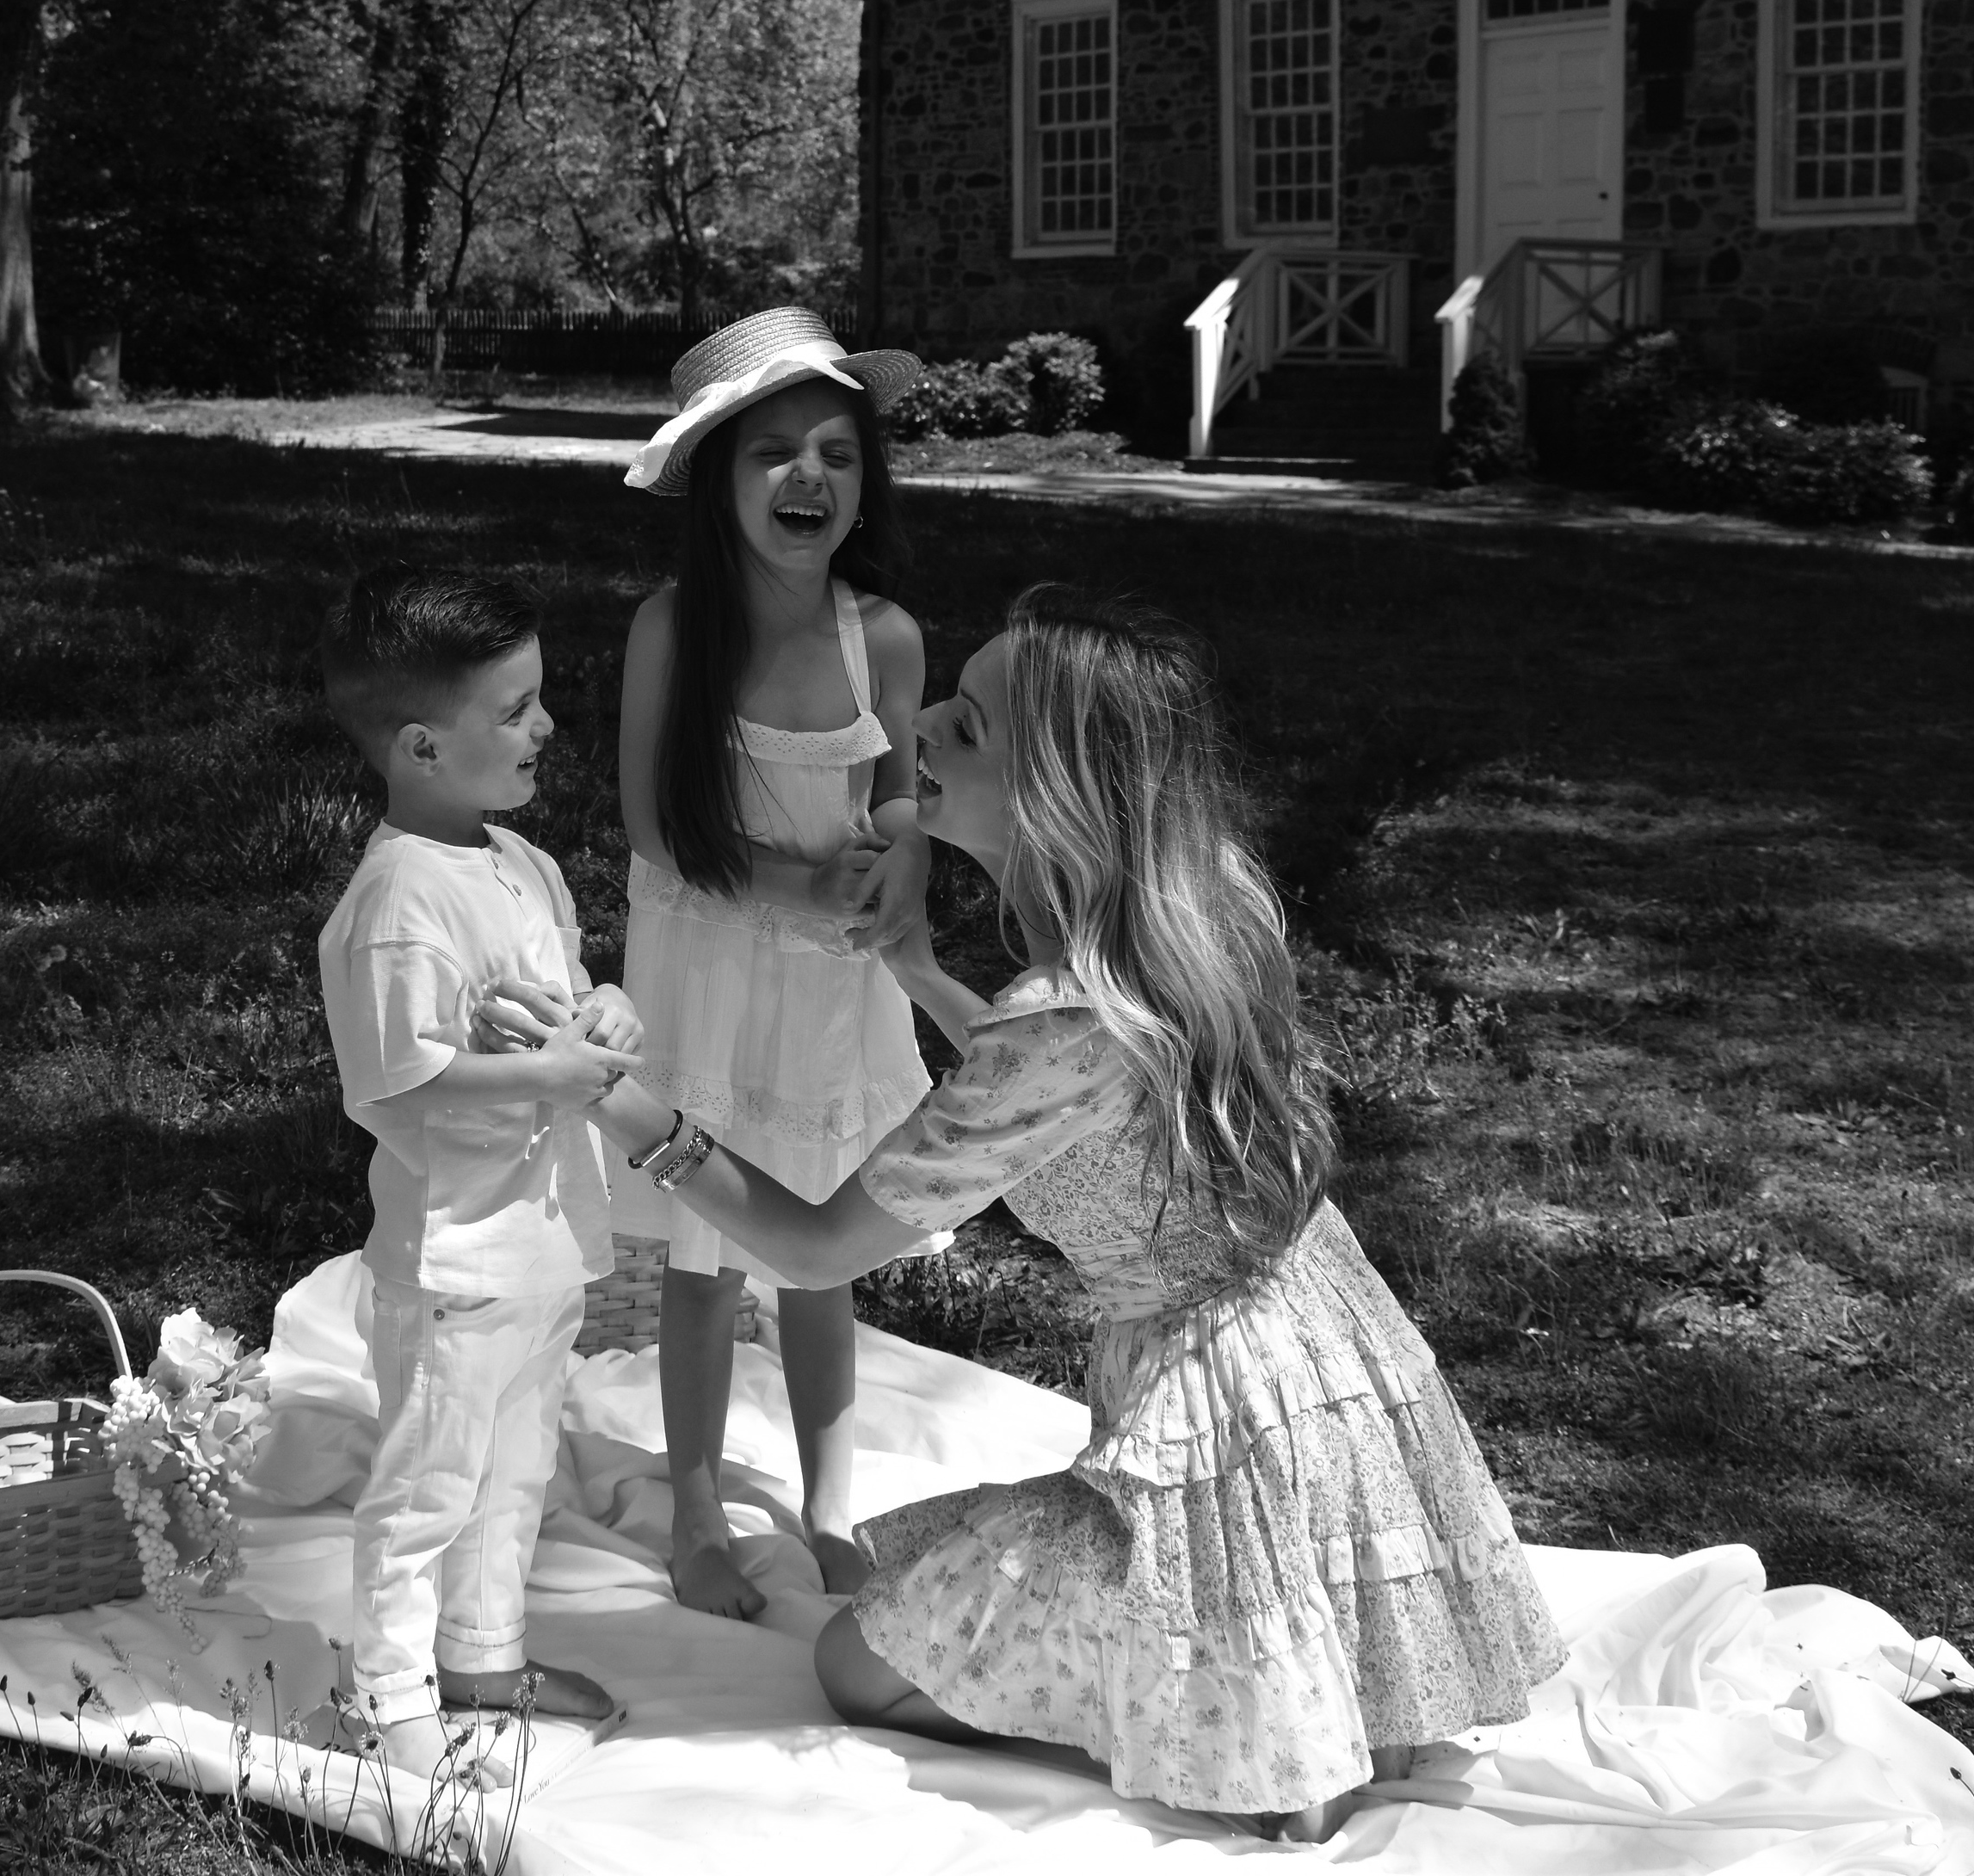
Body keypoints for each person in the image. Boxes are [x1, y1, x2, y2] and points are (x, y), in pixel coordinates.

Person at [547, 587, 1566, 1835]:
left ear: (1054, 798)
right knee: (936, 1592)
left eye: (967, 726)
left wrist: (621, 1103)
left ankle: (1219, 1726)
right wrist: (921, 973)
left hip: (1220, 1430)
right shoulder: (1205, 909)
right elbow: (1066, 1093)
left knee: (856, 1666)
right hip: (1324, 1361)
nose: (924, 722)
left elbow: (812, 1247)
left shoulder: (1062, 1024)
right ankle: (1284, 1689)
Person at [612, 306, 936, 1618]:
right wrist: (801, 882)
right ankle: (697, 1514)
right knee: (705, 1254)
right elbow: (656, 827)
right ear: (718, 480)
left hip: (831, 982)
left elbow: (900, 792)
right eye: (774, 453)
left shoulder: (885, 635)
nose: (811, 477)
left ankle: (829, 1502)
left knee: (823, 1248)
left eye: (838, 454)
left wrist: (903, 856)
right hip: (710, 966)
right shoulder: (674, 628)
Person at [312, 562, 637, 1781]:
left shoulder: (519, 862)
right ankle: (392, 1698)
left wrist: (606, 1012)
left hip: (542, 1241)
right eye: (514, 709)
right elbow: (393, 1082)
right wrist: (546, 1078)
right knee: (427, 1485)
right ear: (420, 747)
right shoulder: (401, 901)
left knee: (517, 1472)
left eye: (538, 698)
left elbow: (562, 1001)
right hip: (456, 1254)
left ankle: (485, 1658)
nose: (546, 725)